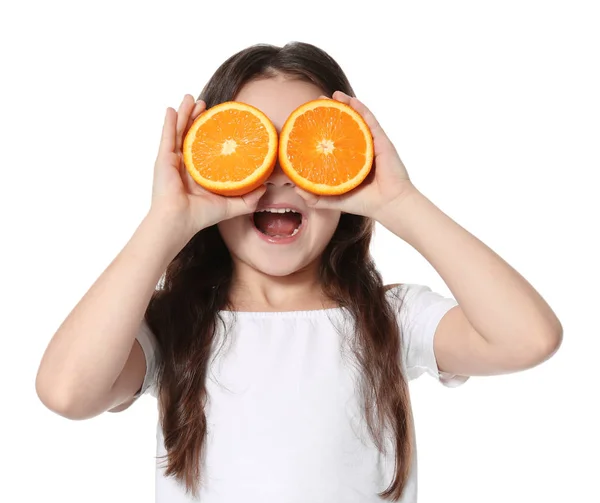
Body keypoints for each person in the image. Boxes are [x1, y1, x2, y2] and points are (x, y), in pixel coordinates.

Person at [35, 42, 563, 502]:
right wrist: (164, 222)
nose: (279, 176)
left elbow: (529, 339)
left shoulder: (393, 317)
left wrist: (399, 201)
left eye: (305, 148)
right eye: (252, 149)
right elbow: (67, 392)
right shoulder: (173, 324)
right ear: (209, 163)